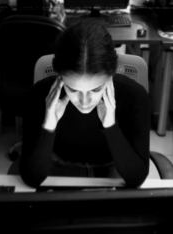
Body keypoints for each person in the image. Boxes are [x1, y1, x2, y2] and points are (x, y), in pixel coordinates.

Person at [19, 22, 150, 188]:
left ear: (110, 75)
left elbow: (136, 178)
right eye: (73, 90)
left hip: (112, 164)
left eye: (96, 90)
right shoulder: (39, 94)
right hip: (59, 163)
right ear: (60, 76)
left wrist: (110, 125)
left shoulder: (134, 96)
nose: (85, 102)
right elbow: (32, 178)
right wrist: (49, 125)